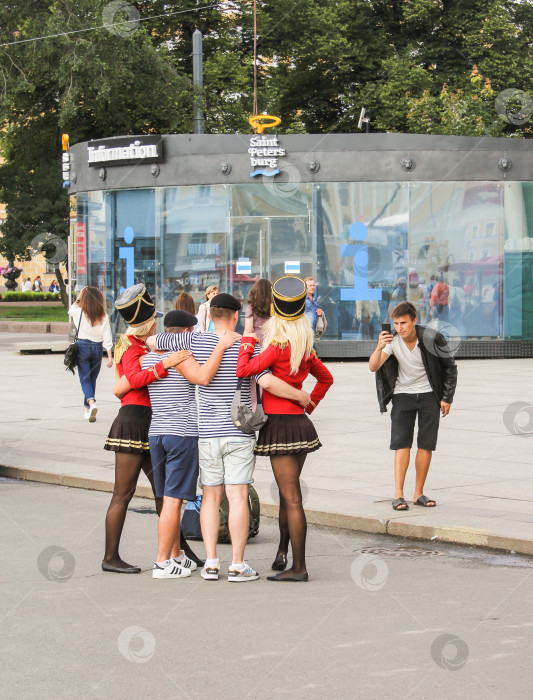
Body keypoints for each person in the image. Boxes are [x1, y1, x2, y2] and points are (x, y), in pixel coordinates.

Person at [147, 293, 311, 583]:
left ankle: (211, 563)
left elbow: (153, 342)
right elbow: (265, 379)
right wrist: (302, 397)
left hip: (207, 433)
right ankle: (237, 564)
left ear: (208, 316)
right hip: (239, 431)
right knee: (237, 497)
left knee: (210, 497)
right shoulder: (248, 344)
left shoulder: (194, 341)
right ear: (236, 316)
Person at [114, 309, 241, 579]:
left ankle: (174, 556)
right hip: (181, 434)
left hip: (156, 433)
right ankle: (161, 563)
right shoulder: (182, 357)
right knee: (173, 502)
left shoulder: (147, 358)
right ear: (185, 333)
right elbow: (203, 377)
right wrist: (220, 348)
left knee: (166, 500)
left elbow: (120, 387)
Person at [236, 276, 334, 581]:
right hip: (301, 425)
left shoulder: (277, 347)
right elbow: (326, 378)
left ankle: (299, 567)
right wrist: (309, 404)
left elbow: (243, 370)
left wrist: (249, 338)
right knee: (287, 493)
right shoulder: (305, 347)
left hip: (279, 427)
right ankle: (282, 553)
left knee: (291, 498)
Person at [102, 284, 191, 574]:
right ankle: (110, 557)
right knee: (123, 493)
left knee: (164, 493)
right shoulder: (129, 345)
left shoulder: (141, 345)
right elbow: (135, 380)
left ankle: (180, 551)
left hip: (149, 421)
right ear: (147, 322)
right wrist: (164, 363)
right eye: (154, 319)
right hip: (132, 421)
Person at [369, 301, 458, 511]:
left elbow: (450, 369)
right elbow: (373, 366)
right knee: (402, 444)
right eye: (396, 323)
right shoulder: (391, 340)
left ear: (414, 320)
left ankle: (418, 493)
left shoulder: (431, 338)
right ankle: (398, 495)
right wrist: (379, 346)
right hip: (403, 395)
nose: (400, 327)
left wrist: (447, 398)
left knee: (426, 444)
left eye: (404, 323)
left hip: (429, 395)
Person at [68, 286, 113, 421]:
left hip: (83, 347)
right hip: (97, 348)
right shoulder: (103, 315)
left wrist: (79, 297)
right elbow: (107, 336)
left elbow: (71, 309)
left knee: (85, 379)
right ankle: (88, 409)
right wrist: (110, 356)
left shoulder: (79, 312)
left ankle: (91, 403)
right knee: (92, 379)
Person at [244, 278, 272, 346]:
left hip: (258, 345)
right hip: (273, 344)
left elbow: (248, 331)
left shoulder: (252, 307)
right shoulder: (275, 307)